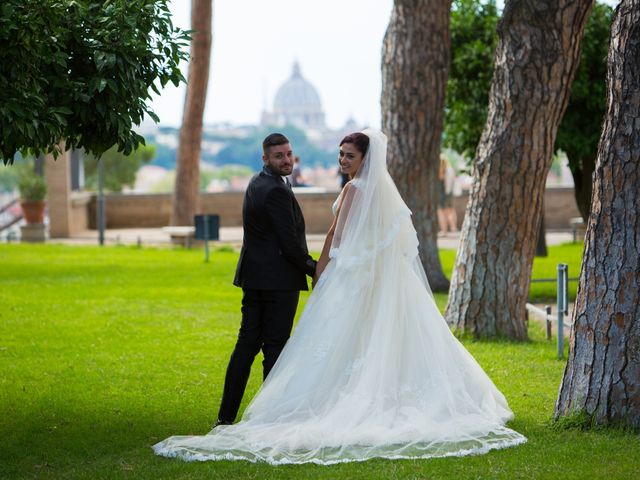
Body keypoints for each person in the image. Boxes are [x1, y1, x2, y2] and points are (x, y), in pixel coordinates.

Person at [154, 129, 526, 464]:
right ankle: (262, 409)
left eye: (349, 155)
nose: (342, 160)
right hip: (314, 277)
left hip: (327, 275)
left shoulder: (335, 188)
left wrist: (323, 271)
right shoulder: (371, 192)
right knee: (280, 344)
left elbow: (338, 235)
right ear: (267, 158)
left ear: (365, 159)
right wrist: (317, 266)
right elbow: (354, 237)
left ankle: (263, 410)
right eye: (341, 155)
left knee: (284, 345)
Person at [212, 133, 317, 428]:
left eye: (289, 154)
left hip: (254, 278)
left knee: (246, 345)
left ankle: (225, 416)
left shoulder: (258, 182)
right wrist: (316, 268)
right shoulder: (275, 191)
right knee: (275, 349)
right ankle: (270, 419)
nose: (286, 160)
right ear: (265, 159)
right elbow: (291, 245)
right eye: (279, 156)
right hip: (277, 281)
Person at [437, 154, 458, 236]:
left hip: (440, 194)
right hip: (449, 193)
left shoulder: (437, 171)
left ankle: (444, 231)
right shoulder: (449, 170)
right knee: (451, 211)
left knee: (441, 212)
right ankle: (453, 229)